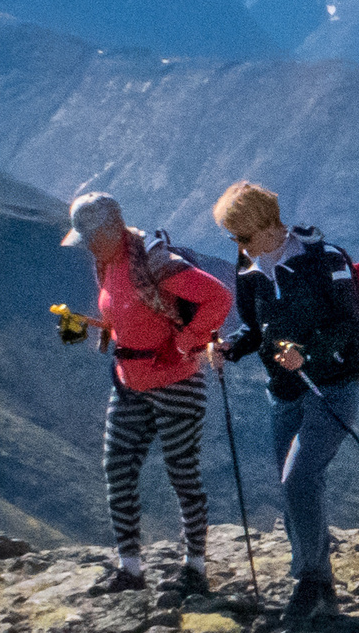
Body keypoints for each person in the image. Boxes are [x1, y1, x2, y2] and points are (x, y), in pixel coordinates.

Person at [210, 181, 359, 628]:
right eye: (233, 239)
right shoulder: (249, 269)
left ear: (266, 224)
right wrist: (228, 349)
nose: (238, 246)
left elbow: (352, 322)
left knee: (298, 479)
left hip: (332, 386)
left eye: (242, 236)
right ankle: (323, 591)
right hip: (284, 392)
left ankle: (309, 582)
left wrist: (308, 353)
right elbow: (255, 331)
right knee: (295, 486)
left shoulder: (324, 259)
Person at [63, 189, 234, 599]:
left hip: (175, 382)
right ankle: (130, 570)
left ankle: (194, 569)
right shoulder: (104, 262)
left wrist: (188, 341)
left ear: (112, 230)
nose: (86, 246)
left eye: (90, 238)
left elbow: (218, 296)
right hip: (128, 382)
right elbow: (122, 319)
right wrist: (84, 325)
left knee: (182, 474)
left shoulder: (155, 261)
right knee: (117, 469)